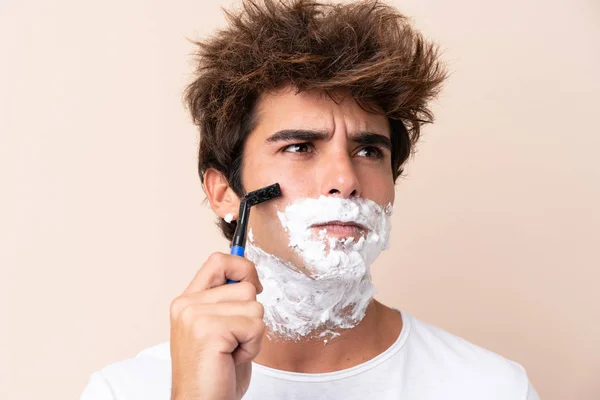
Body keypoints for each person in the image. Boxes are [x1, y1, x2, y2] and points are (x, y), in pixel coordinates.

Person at [81, 1, 540, 399]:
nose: (345, 179)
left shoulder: (490, 388)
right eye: (299, 147)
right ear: (224, 193)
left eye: (368, 151)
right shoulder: (124, 391)